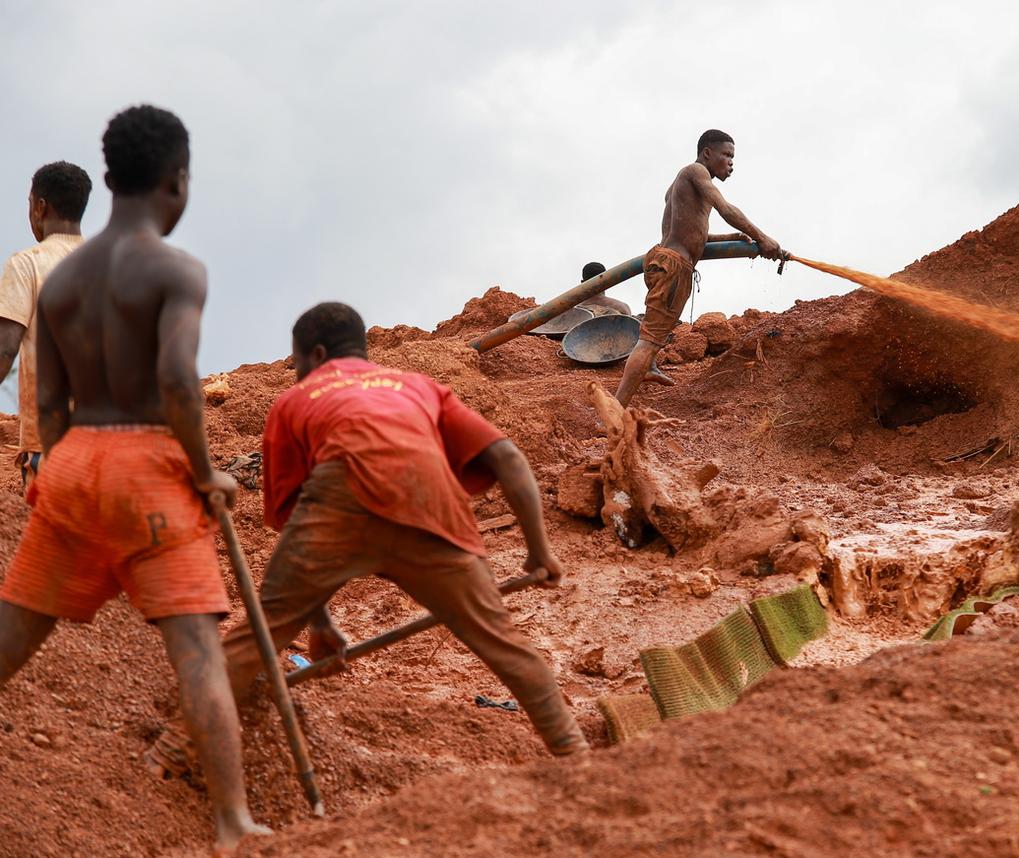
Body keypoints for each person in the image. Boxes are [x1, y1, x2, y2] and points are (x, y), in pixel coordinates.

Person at [145, 302, 589, 782]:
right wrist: (538, 551)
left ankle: (171, 752)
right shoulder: (419, 386)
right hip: (430, 503)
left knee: (257, 637)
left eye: (296, 363)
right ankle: (577, 758)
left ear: (314, 354)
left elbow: (291, 519)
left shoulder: (294, 401)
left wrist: (316, 621)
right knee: (503, 642)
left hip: (336, 502)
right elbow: (507, 458)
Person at [0, 105, 269, 854]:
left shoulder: (59, 280)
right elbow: (180, 381)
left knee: (13, 635)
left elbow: (48, 400)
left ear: (111, 179)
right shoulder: (176, 269)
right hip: (148, 464)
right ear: (177, 183)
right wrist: (204, 468)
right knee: (197, 655)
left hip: (72, 460)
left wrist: (55, 475)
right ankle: (231, 823)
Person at [614, 129, 785, 406]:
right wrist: (763, 237)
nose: (731, 162)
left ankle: (650, 367)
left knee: (655, 331)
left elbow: (692, 239)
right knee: (649, 340)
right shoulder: (696, 171)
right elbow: (726, 209)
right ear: (708, 153)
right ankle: (613, 411)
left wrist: (732, 239)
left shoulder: (679, 187)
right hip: (674, 266)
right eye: (727, 155)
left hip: (663, 259)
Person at [0, 161, 92, 487]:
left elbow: (5, 349)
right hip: (108, 450)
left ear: (40, 206)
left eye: (29, 204)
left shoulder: (27, 265)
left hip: (51, 448)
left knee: (51, 537)